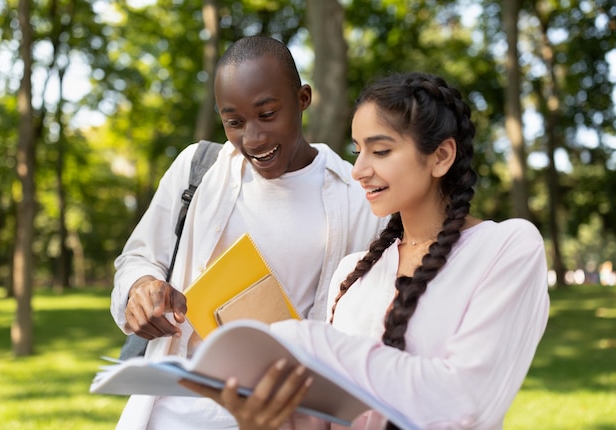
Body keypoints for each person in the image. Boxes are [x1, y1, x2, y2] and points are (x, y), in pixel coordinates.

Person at [181, 71, 551, 429]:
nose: (358, 169)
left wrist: (311, 341)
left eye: (381, 150)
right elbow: (326, 416)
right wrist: (263, 418)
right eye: (358, 150)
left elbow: (467, 404)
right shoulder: (353, 273)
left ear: (441, 156)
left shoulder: (507, 248)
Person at [110, 35, 386, 429]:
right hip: (172, 413)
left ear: (303, 98)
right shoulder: (198, 169)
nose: (252, 139)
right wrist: (140, 289)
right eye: (234, 122)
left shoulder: (356, 197)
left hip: (279, 419)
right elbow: (137, 258)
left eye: (268, 114)